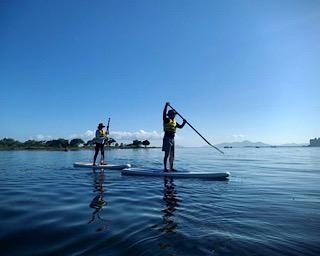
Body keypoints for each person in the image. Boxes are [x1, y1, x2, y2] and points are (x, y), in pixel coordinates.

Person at [162, 102, 186, 171]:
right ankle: (165, 168)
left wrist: (184, 122)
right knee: (167, 154)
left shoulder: (174, 122)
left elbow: (181, 127)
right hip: (167, 138)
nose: (173, 115)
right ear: (169, 115)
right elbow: (163, 114)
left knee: (172, 154)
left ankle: (171, 168)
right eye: (172, 114)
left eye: (174, 114)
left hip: (173, 139)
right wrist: (166, 106)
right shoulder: (166, 120)